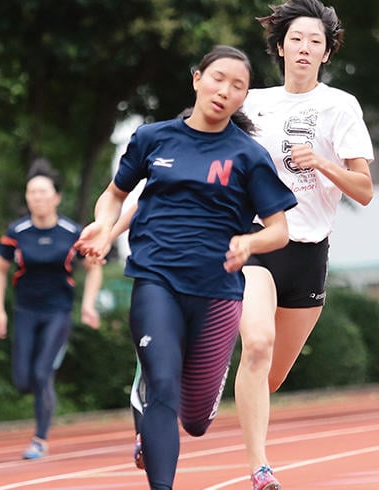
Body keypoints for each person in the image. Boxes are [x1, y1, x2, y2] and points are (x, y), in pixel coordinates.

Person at [75, 45, 297, 490]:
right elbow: (116, 194)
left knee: (193, 420)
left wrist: (248, 242)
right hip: (156, 278)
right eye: (217, 78)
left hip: (217, 291)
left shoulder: (248, 156)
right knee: (161, 385)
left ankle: (176, 416)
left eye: (238, 86)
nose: (224, 90)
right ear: (197, 79)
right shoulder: (152, 139)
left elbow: (280, 231)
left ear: (243, 98)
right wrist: (103, 226)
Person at [236, 1, 375, 488]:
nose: (305, 48)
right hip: (257, 243)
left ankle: (207, 383)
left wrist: (322, 163)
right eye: (296, 39)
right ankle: (259, 467)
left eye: (315, 41)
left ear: (326, 52)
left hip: (310, 252)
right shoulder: (251, 103)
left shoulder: (341, 106)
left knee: (270, 377)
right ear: (280, 46)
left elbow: (364, 190)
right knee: (256, 344)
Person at [0, 158, 103, 460]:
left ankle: (39, 439)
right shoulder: (17, 231)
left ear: (56, 197)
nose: (36, 198)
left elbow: (94, 268)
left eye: (42, 192)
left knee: (41, 374)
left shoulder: (71, 232)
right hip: (25, 311)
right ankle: (40, 380)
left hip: (58, 312)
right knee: (23, 381)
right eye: (31, 192)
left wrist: (89, 305)